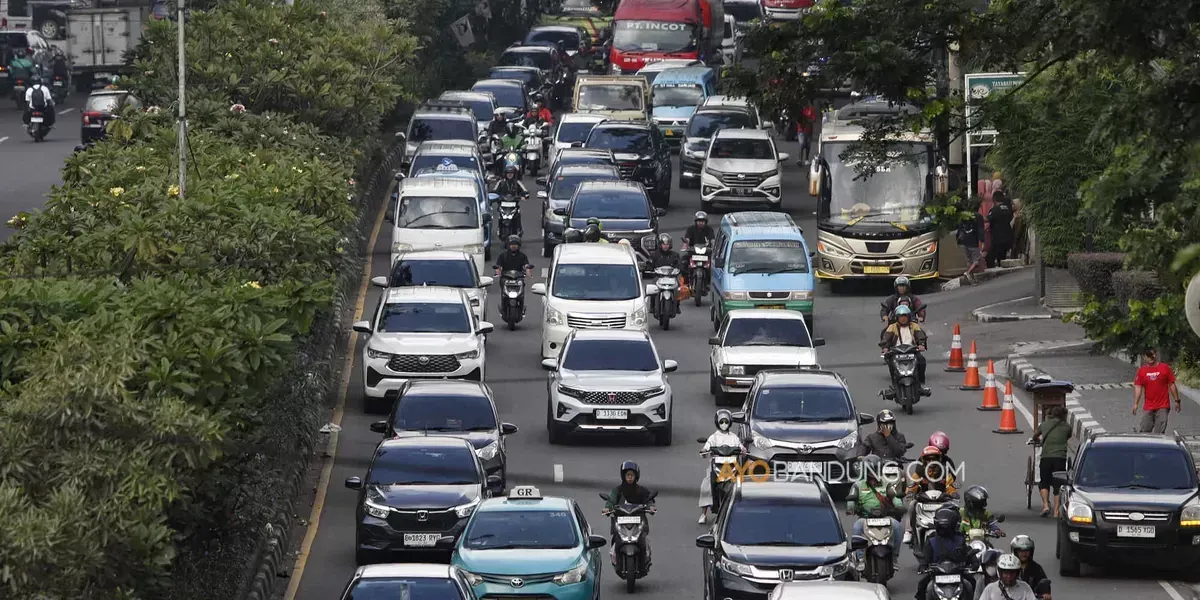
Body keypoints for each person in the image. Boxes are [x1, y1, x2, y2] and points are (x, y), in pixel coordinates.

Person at [846, 455, 905, 571]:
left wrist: (899, 506)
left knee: (898, 527)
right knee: (857, 528)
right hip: (865, 518)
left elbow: (894, 497)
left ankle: (894, 557)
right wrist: (851, 508)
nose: (874, 473)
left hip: (885, 517)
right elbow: (851, 499)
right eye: (871, 470)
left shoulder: (886, 483)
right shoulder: (858, 485)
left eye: (876, 469)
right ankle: (861, 558)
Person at [915, 508, 974, 600]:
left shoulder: (960, 539)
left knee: (971, 584)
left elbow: (968, 552)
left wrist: (974, 562)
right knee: (923, 586)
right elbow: (925, 557)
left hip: (958, 573)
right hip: (936, 574)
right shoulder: (931, 540)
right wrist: (923, 565)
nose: (944, 529)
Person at [903, 446, 957, 543]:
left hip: (942, 500)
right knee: (911, 505)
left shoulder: (945, 471)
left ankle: (956, 530)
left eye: (934, 458)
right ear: (924, 460)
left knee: (955, 508)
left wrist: (953, 493)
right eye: (928, 459)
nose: (931, 461)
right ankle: (908, 531)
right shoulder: (919, 472)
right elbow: (913, 484)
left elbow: (950, 486)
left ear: (939, 459)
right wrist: (910, 492)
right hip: (923, 499)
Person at [604, 461, 656, 559]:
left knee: (642, 539)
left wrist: (651, 507)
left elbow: (649, 501)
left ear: (636, 476)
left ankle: (645, 558)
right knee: (616, 538)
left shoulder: (642, 490)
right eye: (628, 475)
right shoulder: (618, 490)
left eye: (632, 475)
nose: (630, 477)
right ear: (624, 476)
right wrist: (607, 508)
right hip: (621, 520)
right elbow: (611, 501)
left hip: (638, 521)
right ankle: (615, 556)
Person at [698, 409, 743, 523]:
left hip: (731, 466)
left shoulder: (734, 437)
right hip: (715, 466)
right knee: (706, 486)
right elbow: (706, 448)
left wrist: (743, 450)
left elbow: (741, 447)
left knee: (740, 486)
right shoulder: (713, 437)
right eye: (721, 422)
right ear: (717, 423)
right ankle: (703, 513)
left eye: (726, 422)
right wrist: (704, 451)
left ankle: (738, 511)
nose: (724, 424)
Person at [879, 306, 929, 394]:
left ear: (909, 317)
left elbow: (920, 335)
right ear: (897, 317)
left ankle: (920, 384)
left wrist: (921, 344)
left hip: (912, 350)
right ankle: (894, 385)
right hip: (896, 351)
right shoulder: (892, 327)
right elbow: (886, 338)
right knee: (891, 364)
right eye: (900, 316)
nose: (903, 318)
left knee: (921, 361)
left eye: (905, 316)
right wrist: (885, 347)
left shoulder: (914, 326)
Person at [1031, 405, 1070, 517]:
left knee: (1044, 482)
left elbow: (1035, 436)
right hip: (1060, 458)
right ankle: (1056, 511)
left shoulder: (1043, 425)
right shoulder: (1067, 427)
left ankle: (1046, 506)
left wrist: (1037, 439)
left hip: (1046, 457)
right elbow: (1067, 436)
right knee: (1058, 485)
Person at [1132, 348, 1180, 433]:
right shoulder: (1142, 371)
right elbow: (1138, 387)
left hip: (1163, 406)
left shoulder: (1165, 368)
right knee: (1144, 431)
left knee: (1159, 434)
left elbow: (1172, 385)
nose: (1151, 357)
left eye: (1153, 355)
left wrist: (1177, 401)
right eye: (1148, 355)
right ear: (1144, 357)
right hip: (1148, 406)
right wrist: (1136, 404)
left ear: (1155, 355)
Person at [1011, 535, 1051, 600]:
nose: (1024, 553)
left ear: (1031, 551)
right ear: (1015, 551)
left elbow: (1043, 581)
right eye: (1021, 551)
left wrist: (1045, 593)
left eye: (1027, 551)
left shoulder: (1036, 567)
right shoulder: (1009, 566)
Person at [986, 189, 1014, 268]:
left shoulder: (995, 210)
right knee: (1002, 257)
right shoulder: (1008, 208)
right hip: (1008, 236)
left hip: (997, 238)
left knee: (991, 257)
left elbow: (987, 219)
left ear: (994, 200)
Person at [956, 205, 985, 280]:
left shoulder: (963, 217)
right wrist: (982, 242)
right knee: (977, 261)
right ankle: (968, 273)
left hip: (964, 242)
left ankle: (972, 278)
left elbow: (960, 229)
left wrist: (958, 241)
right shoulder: (978, 216)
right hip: (973, 242)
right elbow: (981, 230)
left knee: (969, 261)